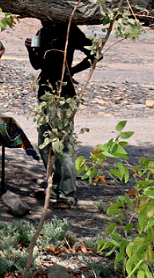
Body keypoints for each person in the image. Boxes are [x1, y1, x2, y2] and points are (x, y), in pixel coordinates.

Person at [25, 21, 102, 208]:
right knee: (45, 145)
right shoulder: (42, 32)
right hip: (45, 92)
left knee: (64, 145)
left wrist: (71, 71)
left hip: (63, 94)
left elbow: (96, 54)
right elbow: (37, 66)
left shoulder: (69, 31)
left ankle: (67, 195)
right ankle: (54, 187)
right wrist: (30, 50)